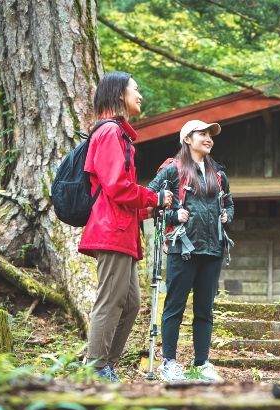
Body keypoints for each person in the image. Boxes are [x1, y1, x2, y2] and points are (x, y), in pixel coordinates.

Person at [78, 71, 172, 382]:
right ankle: (96, 365)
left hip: (121, 230)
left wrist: (152, 205)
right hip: (110, 231)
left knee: (130, 303)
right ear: (120, 95)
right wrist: (154, 197)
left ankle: (106, 364)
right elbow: (117, 187)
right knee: (112, 299)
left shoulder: (120, 135)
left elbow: (119, 194)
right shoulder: (108, 133)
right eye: (135, 89)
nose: (139, 95)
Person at [148, 119, 234, 382]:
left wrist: (226, 217)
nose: (208, 139)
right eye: (202, 134)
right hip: (181, 249)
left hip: (212, 249)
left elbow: (230, 204)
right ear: (187, 139)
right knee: (174, 306)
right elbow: (151, 199)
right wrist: (174, 214)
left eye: (210, 135)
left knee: (205, 309)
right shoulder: (172, 170)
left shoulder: (218, 174)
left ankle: (202, 364)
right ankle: (169, 363)